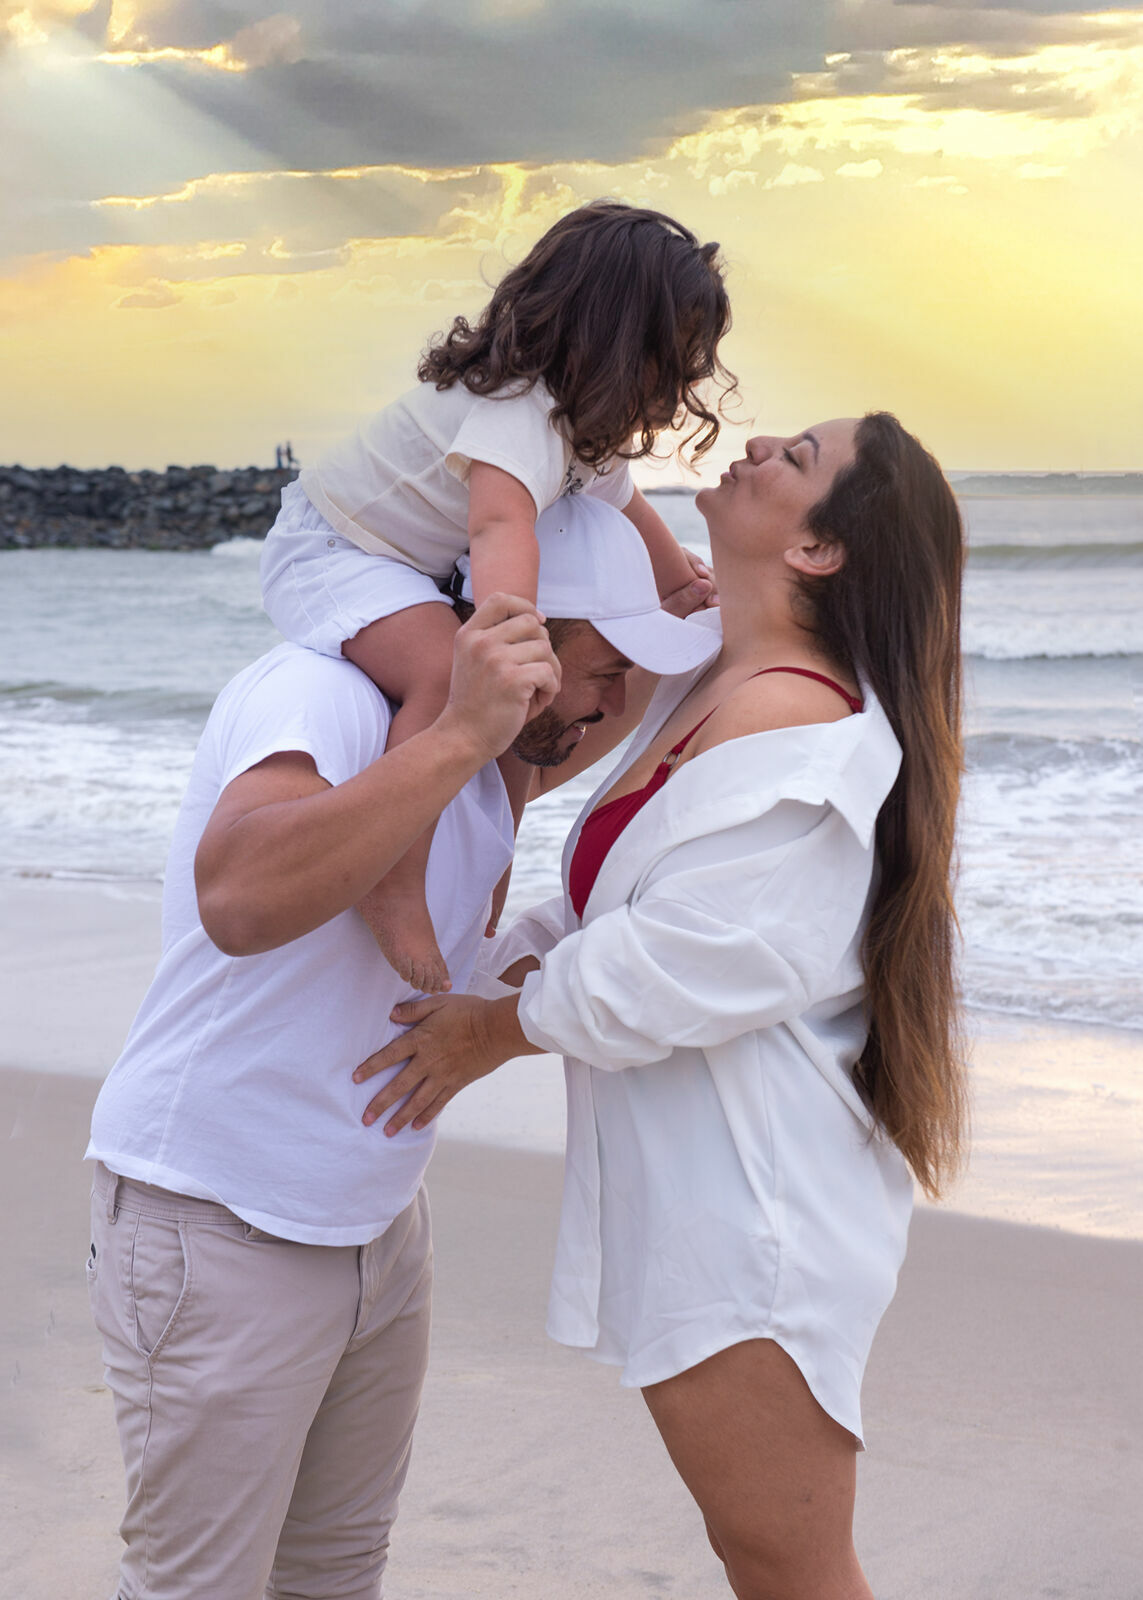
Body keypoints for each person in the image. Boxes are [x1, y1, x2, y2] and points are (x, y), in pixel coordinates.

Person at [355, 412, 969, 1600]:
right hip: (702, 1202)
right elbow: (604, 907)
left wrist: (490, 1031)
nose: (755, 444)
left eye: (796, 459)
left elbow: (684, 961)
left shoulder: (806, 741)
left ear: (820, 552)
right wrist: (470, 967)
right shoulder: (712, 677)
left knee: (787, 1565)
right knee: (756, 1554)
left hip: (760, 1227)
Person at [84, 498, 716, 1600]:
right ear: (513, 640)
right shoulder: (324, 692)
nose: (614, 700)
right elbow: (238, 895)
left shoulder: (506, 753)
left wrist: (696, 595)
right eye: (603, 663)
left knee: (335, 1575)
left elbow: (636, 697)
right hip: (221, 1219)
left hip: (374, 1228)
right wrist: (469, 727)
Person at [259, 199, 733, 994]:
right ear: (613, 338)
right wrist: (513, 633)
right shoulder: (520, 408)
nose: (687, 380)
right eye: (676, 356)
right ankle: (394, 883)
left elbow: (624, 503)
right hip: (336, 549)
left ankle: (481, 878)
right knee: (454, 678)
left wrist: (681, 583)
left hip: (411, 566)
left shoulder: (586, 425)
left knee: (512, 728)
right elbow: (499, 523)